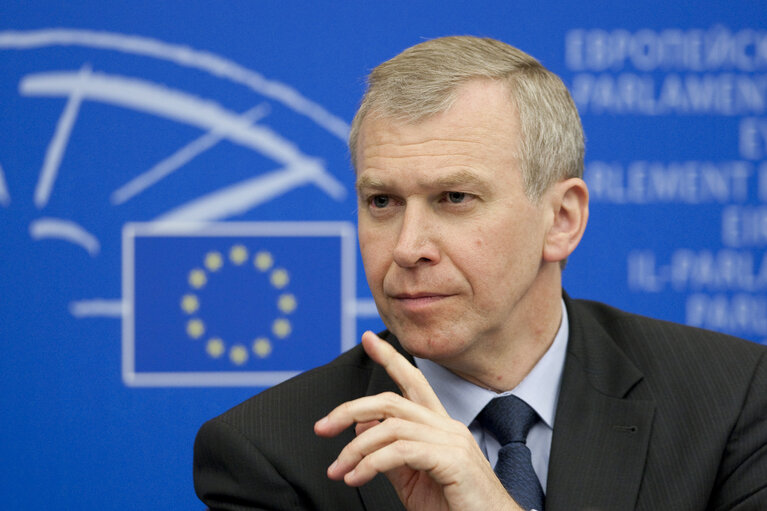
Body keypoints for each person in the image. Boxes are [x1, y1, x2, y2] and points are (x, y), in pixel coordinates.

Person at [193, 36, 767, 510]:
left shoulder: (731, 403)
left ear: (561, 220)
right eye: (382, 202)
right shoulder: (270, 454)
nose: (408, 248)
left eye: (454, 197)